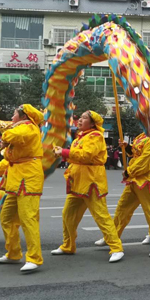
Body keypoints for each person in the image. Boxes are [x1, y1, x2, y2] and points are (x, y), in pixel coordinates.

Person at [0, 104, 44, 273]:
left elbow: (12, 135)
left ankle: (34, 258)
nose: (12, 118)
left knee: (28, 219)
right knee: (6, 217)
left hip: (29, 178)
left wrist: (6, 137)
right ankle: (13, 253)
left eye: (14, 115)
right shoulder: (19, 132)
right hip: (16, 179)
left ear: (23, 117)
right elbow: (9, 161)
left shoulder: (29, 128)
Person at [52, 111, 124, 263]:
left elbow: (86, 155)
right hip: (77, 180)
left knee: (101, 216)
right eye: (80, 117)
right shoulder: (81, 137)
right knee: (67, 214)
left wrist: (64, 151)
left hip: (91, 181)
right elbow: (75, 155)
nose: (79, 120)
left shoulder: (96, 137)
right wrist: (62, 153)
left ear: (92, 124)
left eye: (84, 118)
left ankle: (116, 247)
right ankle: (68, 245)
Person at [102, 132, 150, 257]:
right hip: (134, 179)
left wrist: (129, 171)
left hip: (146, 180)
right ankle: (112, 237)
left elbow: (145, 160)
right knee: (122, 209)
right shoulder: (141, 136)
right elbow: (137, 154)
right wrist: (128, 147)